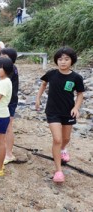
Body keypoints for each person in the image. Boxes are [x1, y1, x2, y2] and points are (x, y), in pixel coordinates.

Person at [35, 47, 84, 183]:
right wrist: (38, 98)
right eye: (60, 59)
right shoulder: (51, 74)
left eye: (66, 59)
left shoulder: (76, 77)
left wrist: (76, 107)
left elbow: (80, 94)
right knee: (57, 139)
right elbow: (44, 84)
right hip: (52, 111)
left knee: (66, 138)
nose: (63, 62)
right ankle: (58, 171)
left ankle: (63, 149)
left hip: (68, 111)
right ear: (56, 61)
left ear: (72, 61)